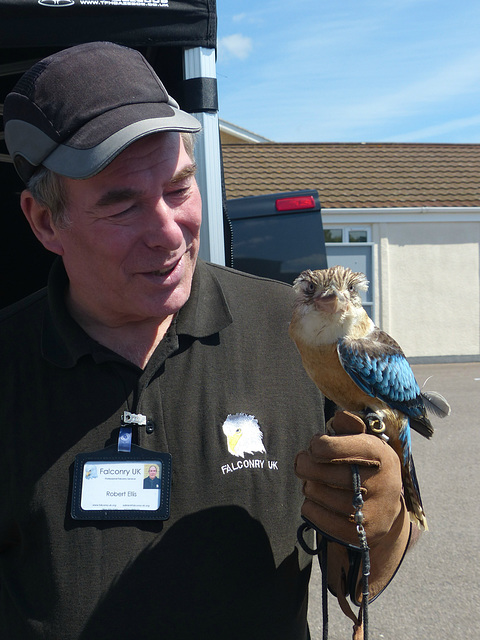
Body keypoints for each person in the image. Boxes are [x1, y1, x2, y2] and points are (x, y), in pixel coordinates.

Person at [0, 42, 412, 639]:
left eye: (178, 189)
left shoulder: (296, 333)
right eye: (122, 207)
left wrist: (382, 526)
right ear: (44, 221)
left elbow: (359, 571)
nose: (167, 232)